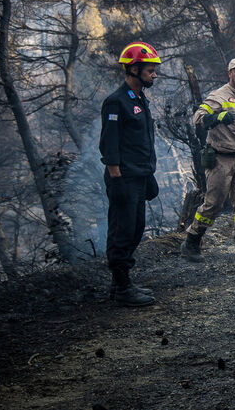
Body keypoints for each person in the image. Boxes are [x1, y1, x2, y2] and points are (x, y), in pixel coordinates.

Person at [181, 58, 235, 262]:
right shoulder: (219, 96)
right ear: (230, 73)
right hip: (220, 159)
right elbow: (198, 118)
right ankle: (192, 240)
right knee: (214, 204)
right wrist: (218, 117)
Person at [99, 41, 161, 307]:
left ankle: (119, 285)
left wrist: (148, 174)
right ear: (134, 69)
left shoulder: (139, 100)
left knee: (135, 230)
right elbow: (109, 144)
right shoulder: (116, 102)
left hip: (139, 175)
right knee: (122, 231)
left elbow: (142, 142)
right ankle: (123, 287)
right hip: (123, 178)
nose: (154, 74)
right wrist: (117, 178)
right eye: (150, 70)